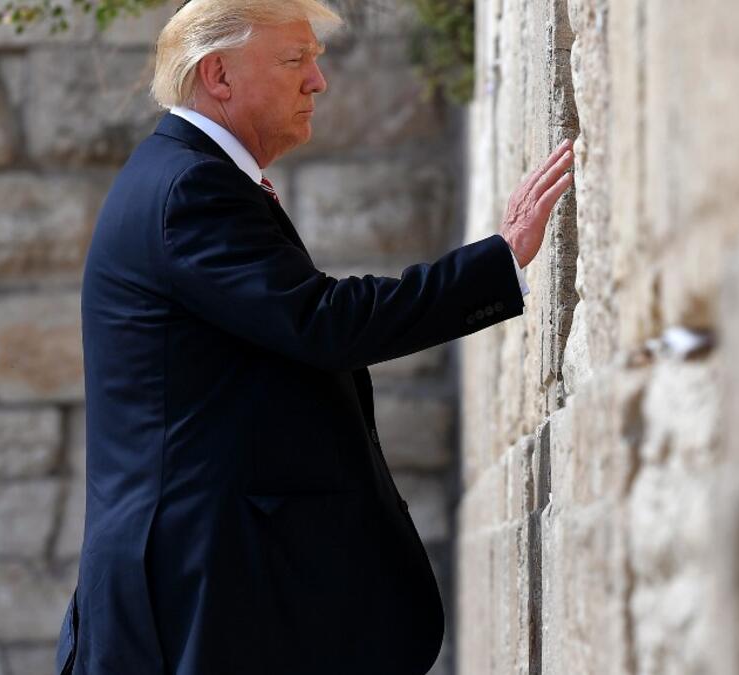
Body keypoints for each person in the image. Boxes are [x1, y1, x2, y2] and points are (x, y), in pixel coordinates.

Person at [52, 0, 574, 673]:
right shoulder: (187, 191)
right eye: (294, 60)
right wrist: (497, 262)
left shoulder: (188, 178)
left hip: (212, 588)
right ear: (219, 75)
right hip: (198, 600)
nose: (317, 81)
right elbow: (322, 321)